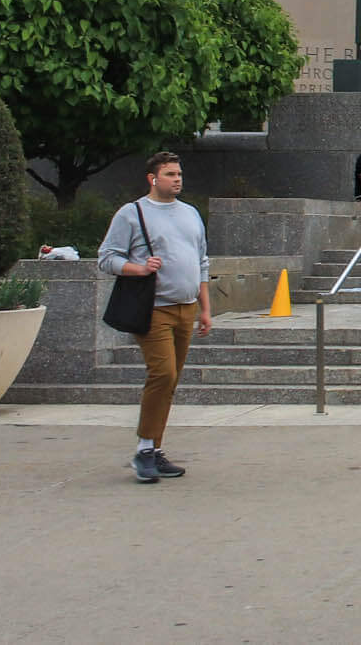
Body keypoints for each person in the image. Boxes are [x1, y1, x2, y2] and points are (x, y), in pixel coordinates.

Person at [97, 152, 212, 484]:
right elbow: (106, 258)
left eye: (179, 173)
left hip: (186, 307)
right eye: (170, 174)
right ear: (153, 178)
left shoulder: (190, 214)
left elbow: (202, 261)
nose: (177, 179)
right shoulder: (132, 214)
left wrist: (205, 308)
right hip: (154, 308)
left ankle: (154, 448)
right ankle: (145, 450)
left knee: (171, 380)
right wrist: (138, 268)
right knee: (162, 373)